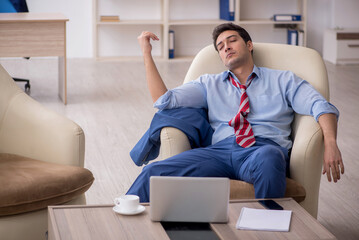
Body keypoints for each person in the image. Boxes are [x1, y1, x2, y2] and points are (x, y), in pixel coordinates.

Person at [127, 23, 344, 202]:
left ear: (249, 45)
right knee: (152, 174)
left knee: (270, 157)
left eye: (232, 40)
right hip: (219, 152)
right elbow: (164, 100)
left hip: (261, 150)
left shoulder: (283, 80)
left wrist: (331, 143)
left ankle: (265, 229)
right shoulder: (208, 84)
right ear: (221, 57)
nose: (226, 47)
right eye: (220, 46)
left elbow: (320, 106)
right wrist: (146, 53)